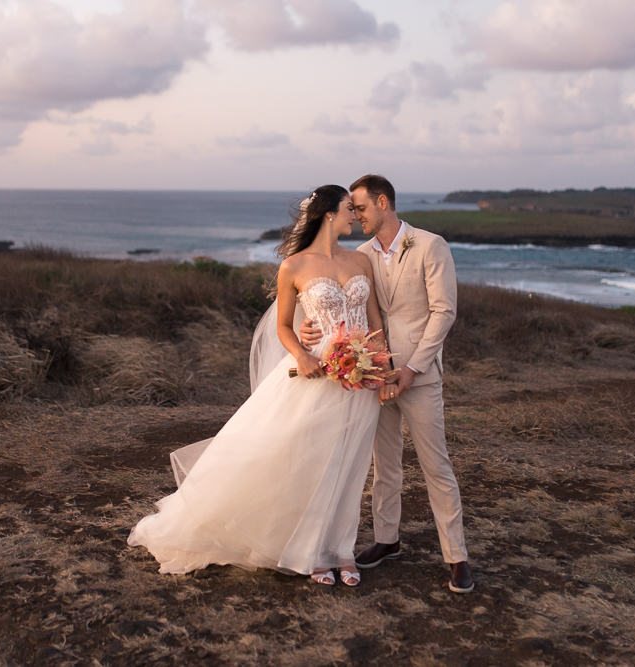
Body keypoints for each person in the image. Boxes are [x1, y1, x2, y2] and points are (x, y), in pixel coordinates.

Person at [127, 185, 388, 586]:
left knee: (349, 463)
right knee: (311, 460)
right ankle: (313, 552)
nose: (355, 215)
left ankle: (341, 549)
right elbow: (284, 326)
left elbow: (374, 324)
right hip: (315, 374)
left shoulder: (361, 262)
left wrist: (378, 365)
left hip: (359, 379)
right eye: (348, 209)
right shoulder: (294, 266)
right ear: (329, 214)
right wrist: (302, 355)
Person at [300, 175, 474, 593]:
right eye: (351, 210)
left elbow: (443, 312)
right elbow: (339, 305)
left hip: (419, 374)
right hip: (372, 375)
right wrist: (309, 331)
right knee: (384, 467)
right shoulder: (360, 254)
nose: (354, 215)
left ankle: (457, 556)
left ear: (383, 202)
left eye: (359, 208)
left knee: (437, 466)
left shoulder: (431, 246)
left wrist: (412, 368)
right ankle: (386, 539)